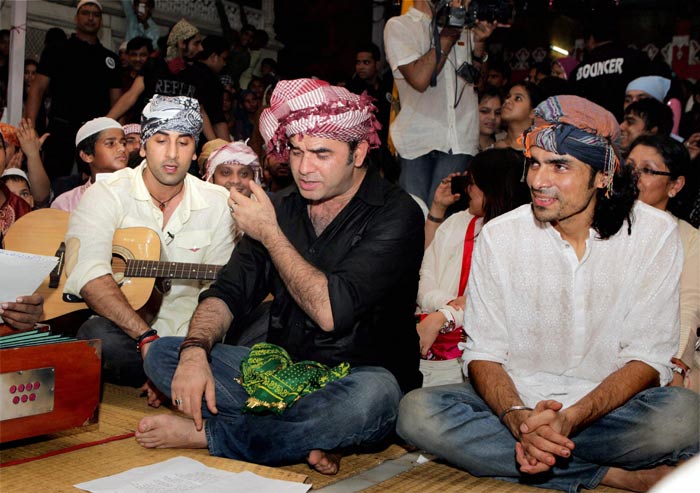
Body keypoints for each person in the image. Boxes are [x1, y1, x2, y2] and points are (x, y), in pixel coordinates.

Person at [397, 95, 699, 492]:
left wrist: (569, 419)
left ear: (603, 175)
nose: (539, 180)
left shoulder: (654, 235)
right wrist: (520, 421)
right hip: (513, 404)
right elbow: (484, 352)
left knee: (684, 417)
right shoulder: (501, 236)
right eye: (535, 162)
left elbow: (648, 356)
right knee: (416, 413)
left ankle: (534, 455)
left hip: (609, 411)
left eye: (560, 166)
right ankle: (608, 474)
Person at [134, 78, 424, 475]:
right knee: (164, 354)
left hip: (358, 378)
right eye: (296, 151)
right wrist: (195, 351)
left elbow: (330, 312)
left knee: (368, 401)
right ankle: (304, 432)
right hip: (280, 373)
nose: (304, 168)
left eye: (322, 153)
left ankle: (214, 434)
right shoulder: (285, 207)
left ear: (358, 153)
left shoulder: (397, 213)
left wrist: (270, 234)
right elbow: (228, 292)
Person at [64, 95, 234, 392]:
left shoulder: (219, 203)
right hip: (133, 337)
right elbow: (89, 273)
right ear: (142, 146)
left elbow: (218, 291)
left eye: (183, 142)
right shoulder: (108, 194)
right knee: (95, 333)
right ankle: (170, 379)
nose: (172, 154)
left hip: (196, 340)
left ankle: (173, 377)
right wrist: (146, 339)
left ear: (195, 151)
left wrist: (191, 352)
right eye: (160, 140)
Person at [416, 149, 529, 387]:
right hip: (429, 346)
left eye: (474, 183)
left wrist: (447, 316)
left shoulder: (523, 237)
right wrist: (449, 304)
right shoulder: (457, 222)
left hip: (482, 362)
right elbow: (425, 275)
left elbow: (497, 307)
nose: (468, 189)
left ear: (494, 188)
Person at [384, 0, 499, 206]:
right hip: (416, 142)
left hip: (460, 141)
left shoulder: (464, 27)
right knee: (416, 219)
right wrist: (448, 34)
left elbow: (478, 84)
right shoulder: (400, 26)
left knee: (446, 224)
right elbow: (420, 79)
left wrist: (480, 44)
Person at [627, 135, 699, 392]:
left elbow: (687, 308)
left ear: (675, 185)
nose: (634, 177)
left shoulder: (690, 238)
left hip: (663, 352)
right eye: (630, 167)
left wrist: (676, 365)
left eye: (646, 170)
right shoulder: (601, 225)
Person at [24, 0, 122, 182]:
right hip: (60, 130)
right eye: (86, 13)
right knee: (52, 184)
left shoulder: (111, 59)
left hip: (95, 135)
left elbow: (118, 104)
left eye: (96, 14)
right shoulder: (56, 50)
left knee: (95, 186)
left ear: (101, 20)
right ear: (76, 18)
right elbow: (37, 89)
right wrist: (29, 128)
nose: (91, 18)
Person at [572, 9, 650, 121]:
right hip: (625, 128)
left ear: (591, 39)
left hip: (588, 133)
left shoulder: (577, 72)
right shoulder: (635, 59)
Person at [51, 118, 127, 212]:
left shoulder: (142, 191)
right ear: (87, 156)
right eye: (110, 143)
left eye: (123, 143)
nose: (122, 148)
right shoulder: (66, 203)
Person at [180, 35, 230, 140]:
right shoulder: (213, 81)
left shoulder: (183, 72)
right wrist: (228, 152)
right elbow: (218, 122)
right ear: (214, 57)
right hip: (200, 142)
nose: (225, 64)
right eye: (224, 59)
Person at [346, 42, 393, 145]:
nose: (360, 67)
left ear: (377, 64)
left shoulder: (387, 85)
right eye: (358, 63)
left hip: (388, 144)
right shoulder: (351, 90)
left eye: (366, 62)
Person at [495, 82, 543, 151]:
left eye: (518, 98)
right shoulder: (493, 149)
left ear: (533, 112)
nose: (507, 100)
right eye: (508, 96)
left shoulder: (543, 153)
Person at [477, 87, 502, 152]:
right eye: (485, 111)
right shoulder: (460, 146)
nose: (492, 117)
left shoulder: (501, 148)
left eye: (497, 113)